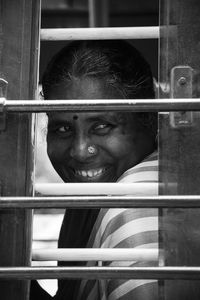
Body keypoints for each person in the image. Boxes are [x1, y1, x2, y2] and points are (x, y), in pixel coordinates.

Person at [30, 40, 158, 300]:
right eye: (62, 129)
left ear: (150, 118)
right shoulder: (96, 196)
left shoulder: (138, 204)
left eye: (101, 126)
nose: (79, 151)